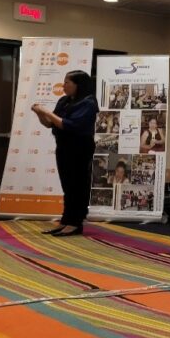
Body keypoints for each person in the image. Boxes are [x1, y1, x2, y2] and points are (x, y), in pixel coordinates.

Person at [31, 70, 99, 236]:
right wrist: (40, 114)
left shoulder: (89, 102)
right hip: (64, 146)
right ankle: (66, 220)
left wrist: (47, 112)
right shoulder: (64, 101)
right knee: (67, 186)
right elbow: (51, 124)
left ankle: (76, 223)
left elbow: (70, 125)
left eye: (67, 82)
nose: (64, 85)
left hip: (80, 147)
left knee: (78, 185)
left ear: (78, 85)